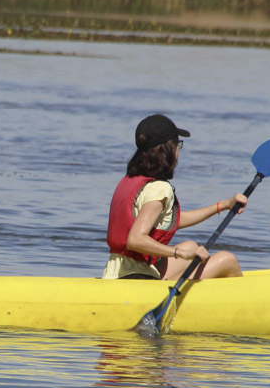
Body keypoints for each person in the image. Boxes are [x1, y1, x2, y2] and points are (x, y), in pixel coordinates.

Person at [103, 114, 248, 281]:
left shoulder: (131, 180)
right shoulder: (160, 189)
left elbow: (170, 221)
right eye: (178, 144)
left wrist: (223, 205)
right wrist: (180, 254)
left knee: (191, 245)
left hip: (116, 272)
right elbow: (135, 240)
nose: (179, 150)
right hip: (135, 280)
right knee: (227, 260)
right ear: (168, 150)